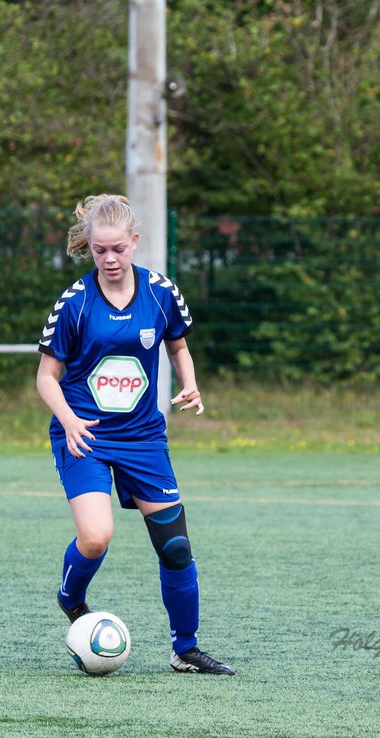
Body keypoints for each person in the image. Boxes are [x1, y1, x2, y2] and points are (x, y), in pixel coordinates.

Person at [36, 194, 234, 675]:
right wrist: (68, 419)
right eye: (100, 250)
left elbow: (179, 346)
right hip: (84, 433)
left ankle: (185, 649)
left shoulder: (162, 292)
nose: (109, 259)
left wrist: (190, 383)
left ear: (135, 244)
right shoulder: (76, 302)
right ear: (89, 246)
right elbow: (45, 376)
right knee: (97, 537)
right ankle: (71, 595)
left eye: (118, 250)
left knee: (176, 547)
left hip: (144, 437)